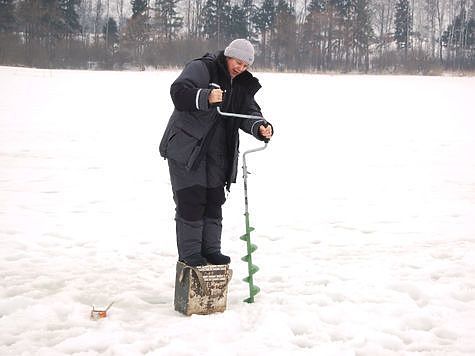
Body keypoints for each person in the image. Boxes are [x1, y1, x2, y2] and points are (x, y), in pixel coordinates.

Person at [159, 39, 273, 267]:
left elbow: (248, 111)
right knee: (192, 200)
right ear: (228, 56)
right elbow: (178, 92)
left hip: (218, 152)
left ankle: (211, 250)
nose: (240, 68)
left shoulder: (241, 84)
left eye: (245, 65)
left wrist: (260, 126)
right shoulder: (203, 68)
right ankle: (191, 255)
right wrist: (205, 97)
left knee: (213, 200)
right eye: (237, 62)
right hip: (187, 148)